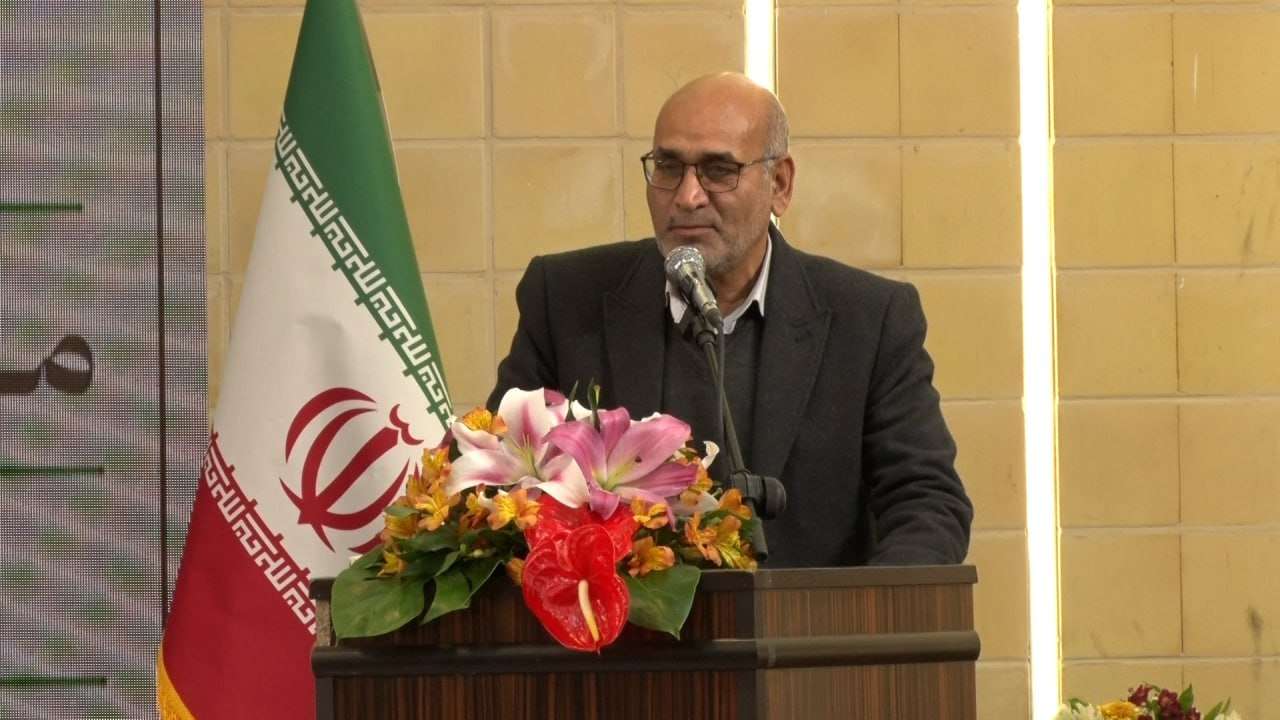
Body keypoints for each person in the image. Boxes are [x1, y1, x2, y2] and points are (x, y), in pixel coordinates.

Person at [488, 73, 972, 567]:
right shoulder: (567, 299)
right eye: (668, 167)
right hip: (613, 615)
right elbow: (495, 482)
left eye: (719, 170)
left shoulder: (868, 320)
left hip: (808, 616)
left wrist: (867, 607)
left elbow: (926, 503)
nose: (687, 196)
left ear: (779, 185)